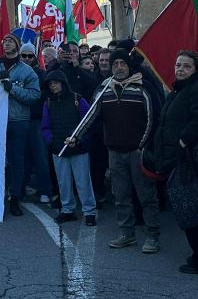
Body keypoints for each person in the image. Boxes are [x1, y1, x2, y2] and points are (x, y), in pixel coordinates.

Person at [76, 49, 162, 253]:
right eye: (115, 64)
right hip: (114, 152)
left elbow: (153, 120)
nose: (119, 67)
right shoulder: (103, 89)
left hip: (137, 152)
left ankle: (152, 236)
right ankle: (127, 234)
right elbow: (90, 115)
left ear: (129, 65)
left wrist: (142, 146)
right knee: (120, 195)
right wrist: (76, 136)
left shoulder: (143, 87)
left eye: (122, 63)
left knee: (146, 196)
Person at [152, 51, 198, 274]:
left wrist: (182, 140)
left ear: (196, 69)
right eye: (178, 65)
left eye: (186, 66)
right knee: (190, 210)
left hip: (191, 161)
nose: (180, 69)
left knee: (195, 211)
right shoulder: (179, 90)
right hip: (178, 160)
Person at [0, 34, 40, 217]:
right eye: (4, 42)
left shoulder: (27, 71)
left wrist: (12, 88)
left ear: (17, 46)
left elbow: (34, 95)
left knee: (16, 162)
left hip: (18, 121)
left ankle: (15, 198)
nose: (6, 44)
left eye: (10, 42)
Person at [41, 70, 96, 226]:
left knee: (83, 181)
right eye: (50, 84)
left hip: (78, 147)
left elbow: (88, 122)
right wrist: (52, 141)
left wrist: (78, 139)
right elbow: (45, 127)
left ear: (63, 83)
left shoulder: (78, 99)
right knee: (63, 182)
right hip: (58, 149)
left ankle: (89, 211)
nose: (53, 87)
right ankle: (67, 209)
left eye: (55, 83)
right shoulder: (48, 103)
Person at [20, 42, 52, 204]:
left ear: (34, 56)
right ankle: (21, 188)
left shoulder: (41, 74)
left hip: (36, 119)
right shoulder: (15, 72)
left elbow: (44, 95)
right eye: (23, 55)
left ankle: (45, 190)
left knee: (40, 157)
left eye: (29, 56)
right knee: (21, 157)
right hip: (19, 120)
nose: (26, 58)